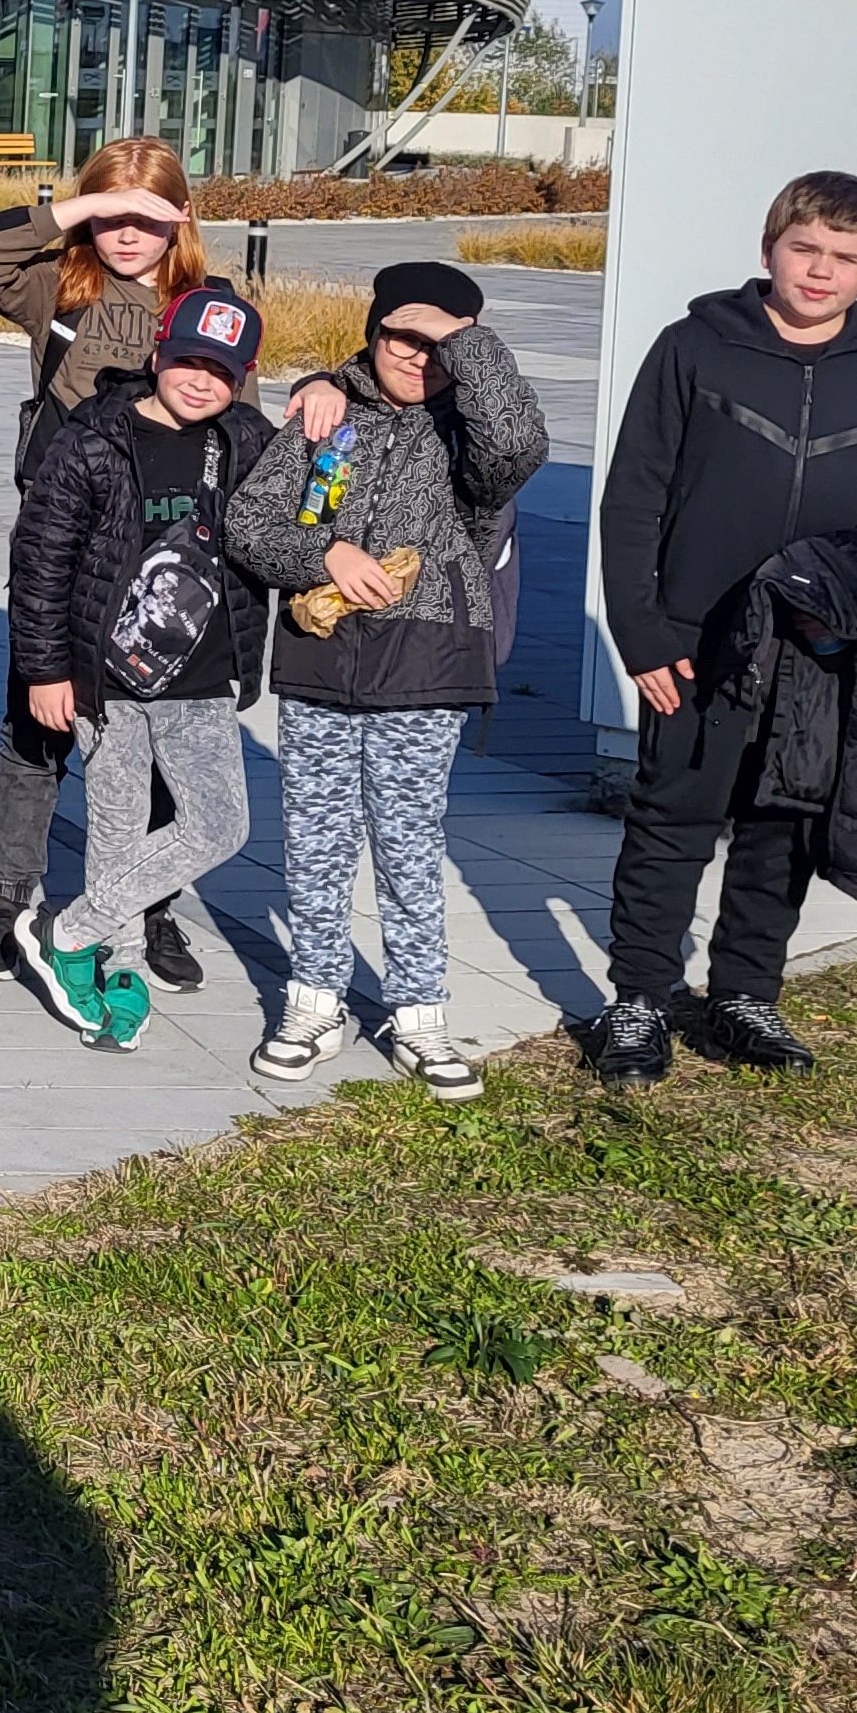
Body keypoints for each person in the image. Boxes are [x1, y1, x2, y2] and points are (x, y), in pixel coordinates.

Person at [592, 173, 857, 1082]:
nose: (821, 271)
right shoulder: (693, 349)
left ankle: (744, 997)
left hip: (826, 651)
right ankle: (638, 1001)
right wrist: (644, 632)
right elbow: (634, 495)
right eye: (806, 250)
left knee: (783, 823)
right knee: (672, 820)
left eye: (846, 258)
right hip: (695, 640)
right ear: (770, 251)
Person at [224, 261, 548, 1101]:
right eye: (405, 334)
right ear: (373, 330)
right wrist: (321, 551)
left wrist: (467, 353)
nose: (419, 355)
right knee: (317, 839)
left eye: (442, 342)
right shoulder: (323, 416)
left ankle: (419, 1012)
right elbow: (250, 524)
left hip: (429, 662)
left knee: (408, 842)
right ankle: (315, 1001)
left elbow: (518, 443)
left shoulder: (471, 440)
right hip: (320, 659)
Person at [0, 138, 205, 975]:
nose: (126, 233)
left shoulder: (201, 304)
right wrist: (76, 213)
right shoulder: (58, 288)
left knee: (160, 744)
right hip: (60, 545)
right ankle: (7, 897)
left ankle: (151, 906)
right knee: (38, 730)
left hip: (164, 555)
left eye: (145, 217)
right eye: (111, 215)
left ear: (179, 220)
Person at [3, 283, 277, 1054]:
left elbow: (308, 494)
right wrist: (45, 670)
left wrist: (325, 387)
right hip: (106, 679)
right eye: (188, 360)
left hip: (201, 676)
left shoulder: (247, 441)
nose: (200, 380)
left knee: (220, 823)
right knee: (117, 832)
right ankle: (117, 965)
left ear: (243, 376)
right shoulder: (94, 441)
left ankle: (70, 929)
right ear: (158, 354)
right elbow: (41, 562)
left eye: (220, 371)